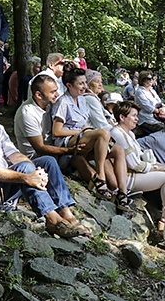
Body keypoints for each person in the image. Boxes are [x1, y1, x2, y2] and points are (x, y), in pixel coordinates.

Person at [0, 85, 90, 238]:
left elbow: (14, 154)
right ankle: (52, 220)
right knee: (24, 168)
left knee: (47, 161)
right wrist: (26, 177)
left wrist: (36, 172)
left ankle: (66, 214)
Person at [50, 64, 124, 201]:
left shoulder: (82, 100)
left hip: (82, 137)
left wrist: (86, 130)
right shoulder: (63, 102)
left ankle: (122, 192)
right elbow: (57, 131)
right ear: (69, 85)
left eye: (85, 82)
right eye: (81, 83)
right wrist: (80, 132)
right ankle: (100, 176)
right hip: (67, 141)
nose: (85, 86)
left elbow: (84, 123)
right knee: (103, 133)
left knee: (118, 150)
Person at [110, 101, 165, 216]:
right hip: (127, 177)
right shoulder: (117, 133)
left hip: (136, 173)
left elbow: (142, 156)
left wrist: (160, 166)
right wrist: (156, 167)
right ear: (122, 117)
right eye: (134, 116)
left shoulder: (130, 134)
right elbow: (134, 164)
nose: (137, 119)